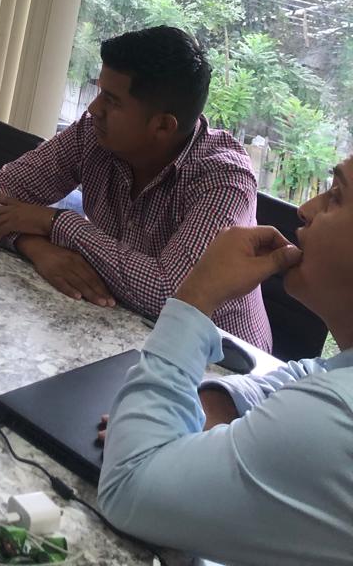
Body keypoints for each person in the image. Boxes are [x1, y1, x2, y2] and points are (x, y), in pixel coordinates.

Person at [98, 167, 353, 566]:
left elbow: (128, 484)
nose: (305, 208)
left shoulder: (338, 420)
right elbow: (314, 373)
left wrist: (198, 294)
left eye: (336, 196)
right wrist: (216, 404)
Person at [0, 26, 271, 349]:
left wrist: (56, 222)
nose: (93, 108)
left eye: (112, 101)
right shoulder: (94, 135)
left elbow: (170, 295)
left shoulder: (224, 179)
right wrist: (37, 248)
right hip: (118, 331)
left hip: (215, 363)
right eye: (100, 92)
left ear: (162, 125)